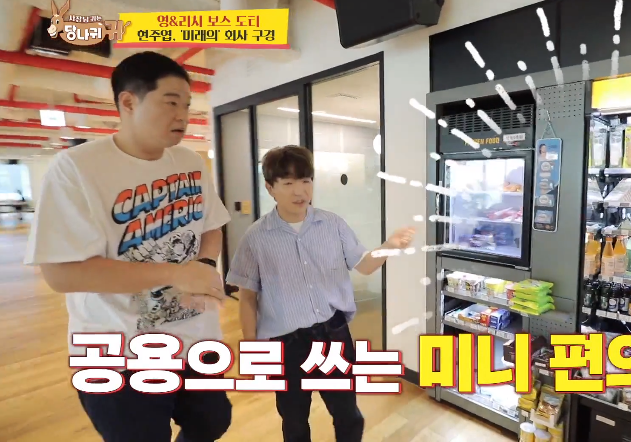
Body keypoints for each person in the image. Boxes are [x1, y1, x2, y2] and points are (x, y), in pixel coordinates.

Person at [24, 51, 233, 442]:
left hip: (194, 338)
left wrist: (204, 264)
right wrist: (176, 273)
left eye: (187, 105)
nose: (183, 116)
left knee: (212, 422)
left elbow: (212, 225)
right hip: (118, 353)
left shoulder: (189, 161)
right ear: (128, 101)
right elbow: (61, 273)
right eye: (170, 102)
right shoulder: (77, 168)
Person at [226, 145, 415, 442]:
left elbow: (365, 265)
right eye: (288, 183)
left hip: (333, 335)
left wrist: (389, 246)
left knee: (348, 414)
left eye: (306, 180)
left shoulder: (333, 224)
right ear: (270, 188)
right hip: (286, 344)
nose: (299, 191)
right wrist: (251, 351)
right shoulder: (256, 238)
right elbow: (247, 298)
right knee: (294, 420)